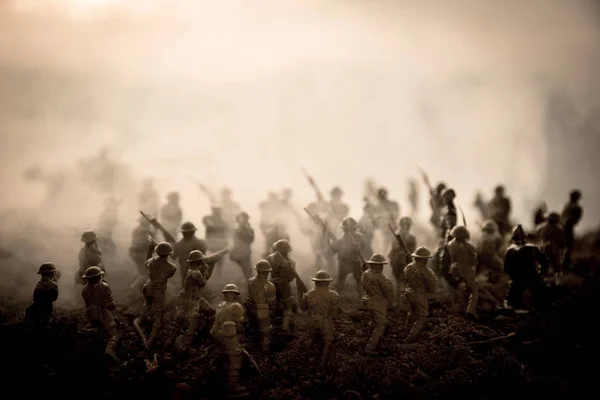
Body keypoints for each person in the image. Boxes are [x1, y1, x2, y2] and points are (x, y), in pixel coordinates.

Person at [136, 241, 177, 349]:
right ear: (168, 254)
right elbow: (170, 273)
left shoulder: (150, 261)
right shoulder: (171, 267)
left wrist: (150, 250)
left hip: (147, 286)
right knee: (159, 314)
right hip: (158, 290)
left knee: (147, 303)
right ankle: (150, 340)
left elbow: (146, 263)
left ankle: (142, 320)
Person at [210, 284, 247, 397]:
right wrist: (241, 335)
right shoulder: (236, 306)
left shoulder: (220, 305)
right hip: (229, 333)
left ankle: (219, 383)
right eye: (234, 293)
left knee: (223, 355)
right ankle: (233, 385)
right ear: (233, 294)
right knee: (235, 355)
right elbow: (240, 326)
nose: (235, 295)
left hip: (217, 333)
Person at [300, 270, 341, 365]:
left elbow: (303, 308)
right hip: (326, 322)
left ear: (316, 281)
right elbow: (335, 313)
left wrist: (300, 294)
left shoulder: (308, 294)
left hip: (311, 322)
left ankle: (305, 358)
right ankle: (323, 361)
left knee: (311, 337)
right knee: (328, 340)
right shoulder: (334, 295)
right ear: (327, 282)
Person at [504, 225, 548, 310]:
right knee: (541, 296)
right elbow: (545, 261)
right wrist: (541, 273)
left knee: (512, 302)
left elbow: (507, 269)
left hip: (518, 280)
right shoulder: (533, 248)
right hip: (533, 278)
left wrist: (514, 275)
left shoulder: (510, 250)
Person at [81, 266, 119, 362]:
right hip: (103, 313)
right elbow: (110, 304)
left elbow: (88, 304)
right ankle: (110, 349)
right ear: (99, 277)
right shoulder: (104, 286)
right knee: (114, 335)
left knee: (99, 330)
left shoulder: (84, 290)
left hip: (91, 314)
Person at [267, 239, 306, 331]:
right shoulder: (291, 263)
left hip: (272, 283)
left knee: (274, 301)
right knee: (287, 303)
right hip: (284, 285)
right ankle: (285, 324)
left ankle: (272, 320)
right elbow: (291, 278)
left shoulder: (270, 257)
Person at [179, 250, 215, 347]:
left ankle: (208, 333)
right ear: (197, 261)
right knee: (193, 323)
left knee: (211, 311)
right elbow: (203, 283)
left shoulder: (193, 270)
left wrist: (211, 265)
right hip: (191, 300)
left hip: (196, 298)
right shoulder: (195, 273)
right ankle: (186, 344)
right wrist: (204, 268)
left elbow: (205, 278)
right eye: (201, 260)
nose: (202, 261)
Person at [361, 253, 394, 356]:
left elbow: (363, 285)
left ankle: (370, 336)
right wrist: (389, 302)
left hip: (367, 300)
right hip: (378, 303)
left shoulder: (365, 273)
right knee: (381, 325)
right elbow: (388, 291)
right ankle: (370, 348)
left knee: (374, 321)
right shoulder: (381, 277)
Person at [403, 247, 437, 342]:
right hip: (420, 295)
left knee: (412, 313)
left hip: (409, 293)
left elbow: (405, 277)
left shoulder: (408, 267)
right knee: (422, 317)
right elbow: (432, 288)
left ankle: (406, 330)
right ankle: (410, 337)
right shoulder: (428, 272)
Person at [330, 217, 370, 298]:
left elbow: (365, 250)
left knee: (359, 282)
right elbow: (332, 250)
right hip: (346, 263)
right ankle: (336, 299)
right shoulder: (342, 240)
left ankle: (361, 299)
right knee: (344, 282)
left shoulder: (359, 238)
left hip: (354, 263)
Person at [447, 225, 479, 320]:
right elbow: (474, 261)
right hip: (467, 271)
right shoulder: (469, 246)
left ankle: (460, 311)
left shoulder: (450, 244)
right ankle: (470, 310)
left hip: (455, 269)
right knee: (474, 291)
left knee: (459, 291)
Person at [246, 260, 276, 352]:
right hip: (262, 308)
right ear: (267, 272)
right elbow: (272, 300)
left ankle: (253, 342)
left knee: (253, 324)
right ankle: (265, 346)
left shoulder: (250, 281)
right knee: (265, 328)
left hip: (250, 306)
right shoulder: (270, 285)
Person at [389, 216, 417, 306]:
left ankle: (405, 302)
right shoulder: (396, 237)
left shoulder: (411, 237)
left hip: (406, 260)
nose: (408, 227)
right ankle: (398, 302)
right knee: (400, 282)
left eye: (408, 225)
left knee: (406, 282)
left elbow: (413, 250)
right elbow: (393, 249)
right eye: (407, 225)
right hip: (398, 261)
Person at [174, 222, 207, 287]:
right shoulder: (200, 242)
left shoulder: (179, 244)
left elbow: (173, 256)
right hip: (189, 267)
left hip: (194, 266)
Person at [203, 205, 231, 278]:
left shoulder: (223, 221)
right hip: (212, 241)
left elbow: (226, 232)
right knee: (213, 256)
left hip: (219, 241)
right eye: (215, 211)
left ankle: (217, 272)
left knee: (218, 257)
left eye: (217, 211)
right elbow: (205, 222)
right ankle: (212, 272)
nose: (216, 212)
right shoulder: (209, 219)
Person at [561, 190, 583, 270]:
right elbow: (575, 219)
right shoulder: (574, 206)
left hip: (565, 226)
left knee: (566, 246)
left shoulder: (568, 206)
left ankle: (563, 264)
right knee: (568, 245)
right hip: (567, 227)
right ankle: (564, 265)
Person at [230, 212, 255, 280]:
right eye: (239, 218)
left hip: (244, 249)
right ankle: (249, 279)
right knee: (244, 266)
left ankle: (250, 281)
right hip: (239, 249)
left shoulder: (247, 227)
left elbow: (250, 238)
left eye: (241, 218)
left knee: (246, 267)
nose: (239, 219)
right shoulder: (239, 226)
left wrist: (240, 232)